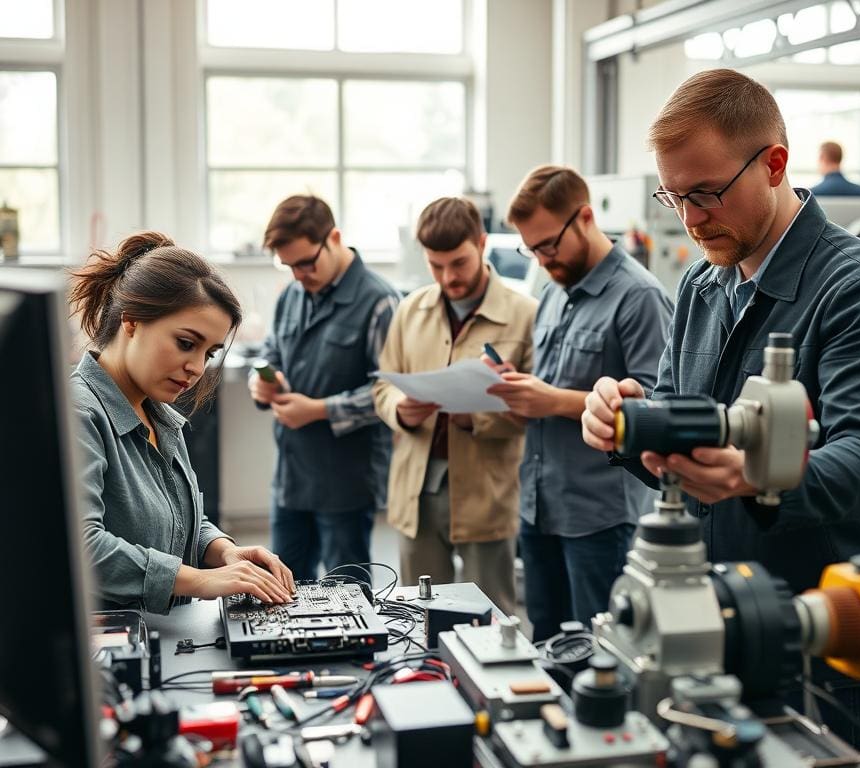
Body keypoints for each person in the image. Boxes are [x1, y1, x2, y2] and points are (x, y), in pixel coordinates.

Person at [581, 69, 860, 750]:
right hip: (699, 622)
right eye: (674, 195)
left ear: (774, 164)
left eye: (707, 192)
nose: (689, 218)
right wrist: (627, 423)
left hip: (814, 643)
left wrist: (757, 474)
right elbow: (686, 444)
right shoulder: (702, 285)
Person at [487, 166, 673, 640]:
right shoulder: (553, 291)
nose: (543, 259)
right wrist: (518, 392)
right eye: (532, 249)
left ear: (586, 217)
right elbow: (551, 386)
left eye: (549, 245)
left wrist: (549, 400)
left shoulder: (640, 297)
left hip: (598, 513)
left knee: (600, 648)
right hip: (539, 504)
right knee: (548, 639)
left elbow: (655, 408)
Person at [70, 232, 295, 614]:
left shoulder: (160, 416)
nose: (196, 368)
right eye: (186, 343)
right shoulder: (80, 415)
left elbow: (173, 520)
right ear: (132, 321)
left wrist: (225, 551)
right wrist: (203, 580)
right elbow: (81, 547)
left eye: (209, 352)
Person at [373, 197, 537, 613]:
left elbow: (536, 409)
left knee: (490, 613)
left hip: (488, 491)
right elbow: (383, 386)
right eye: (436, 265)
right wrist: (399, 409)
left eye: (459, 263)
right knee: (419, 613)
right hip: (417, 489)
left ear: (481, 244)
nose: (449, 276)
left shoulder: (525, 316)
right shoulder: (410, 310)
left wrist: (475, 414)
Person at [250, 195, 400, 583]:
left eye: (305, 263)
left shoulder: (380, 302)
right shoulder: (291, 295)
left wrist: (318, 410)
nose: (298, 275)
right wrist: (261, 383)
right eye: (288, 266)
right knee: (281, 588)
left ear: (334, 238)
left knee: (347, 594)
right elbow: (271, 353)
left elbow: (390, 392)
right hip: (292, 475)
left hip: (346, 480)